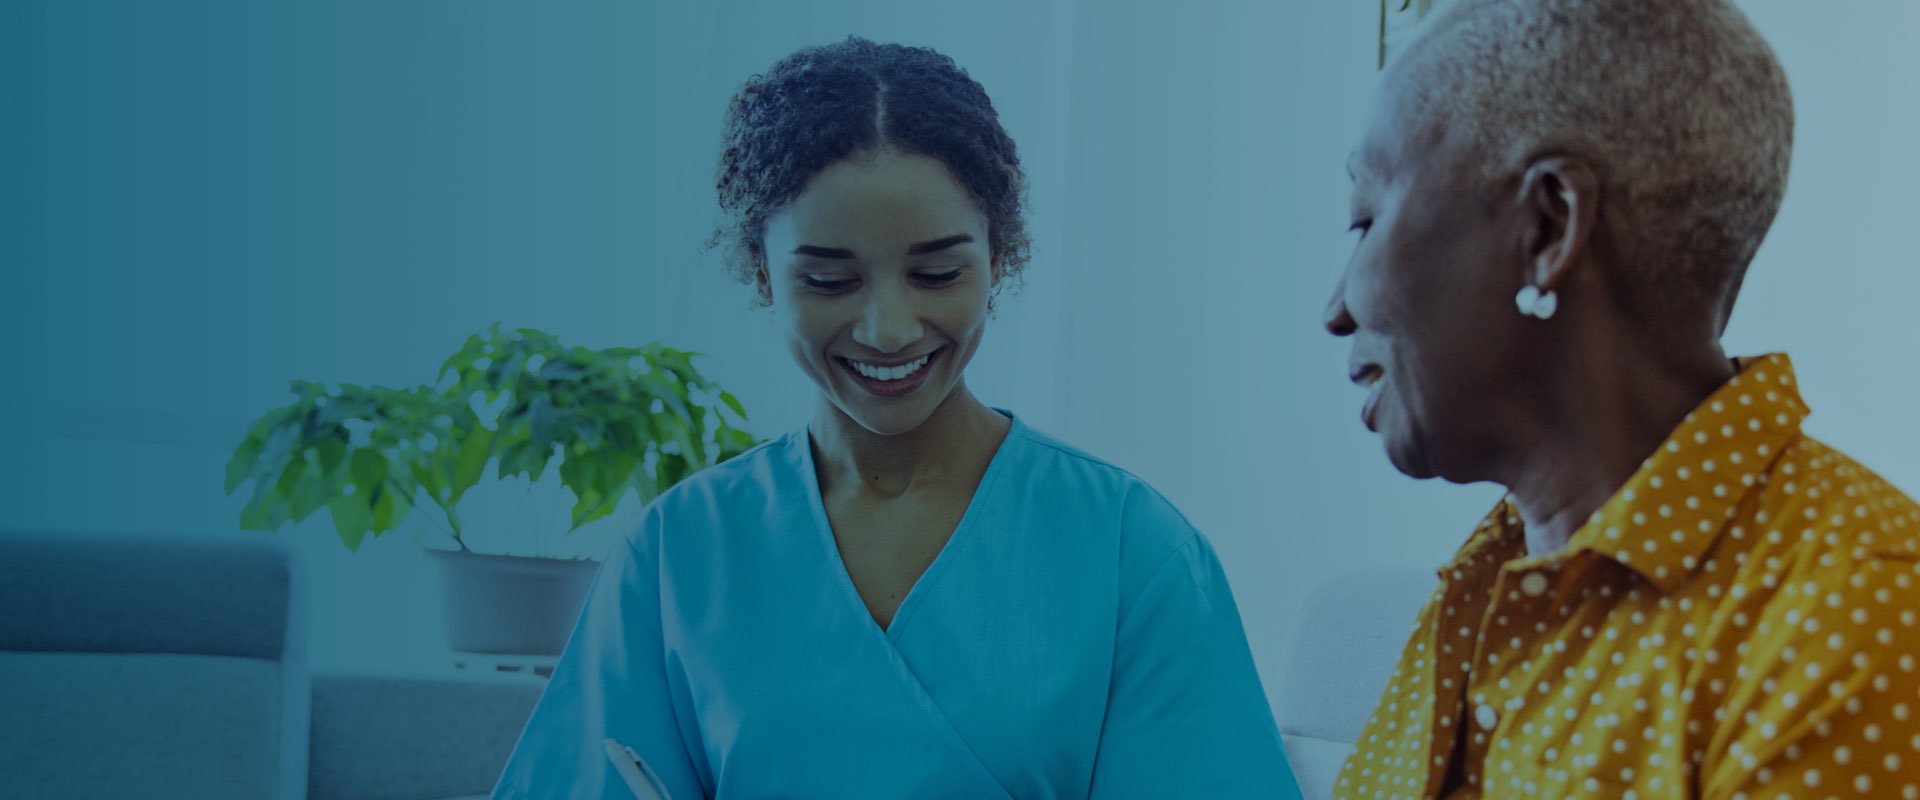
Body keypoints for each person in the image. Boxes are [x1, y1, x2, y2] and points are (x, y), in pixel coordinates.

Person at [493, 37, 1299, 799]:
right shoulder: (678, 555)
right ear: (762, 276)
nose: (889, 329)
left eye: (938, 272)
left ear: (1001, 261)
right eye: (830, 281)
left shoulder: (1134, 553)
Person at [1322, 1, 1920, 797]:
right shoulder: (1488, 582)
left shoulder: (1859, 613)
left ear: (1548, 228)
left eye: (1365, 220)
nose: (1336, 308)